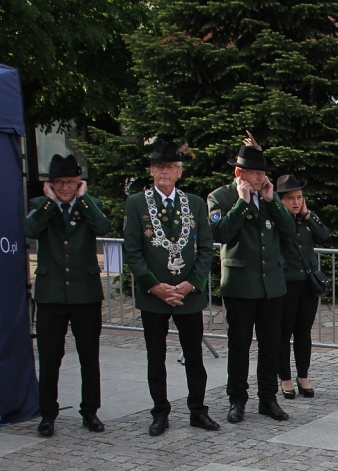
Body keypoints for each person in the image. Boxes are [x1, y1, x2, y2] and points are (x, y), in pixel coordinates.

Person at [123, 138, 219, 436]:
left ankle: (197, 410)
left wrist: (191, 284)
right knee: (156, 356)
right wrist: (155, 286)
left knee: (194, 355)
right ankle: (160, 412)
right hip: (155, 295)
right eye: (158, 167)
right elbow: (133, 252)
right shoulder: (137, 203)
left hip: (188, 293)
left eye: (170, 167)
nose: (164, 172)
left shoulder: (195, 203)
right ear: (151, 170)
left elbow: (206, 248)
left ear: (179, 171)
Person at [208, 136, 295, 423]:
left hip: (271, 285)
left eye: (263, 173)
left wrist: (272, 201)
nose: (261, 178)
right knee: (239, 345)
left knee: (271, 344)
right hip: (241, 285)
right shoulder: (221, 198)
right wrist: (242, 203)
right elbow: (220, 233)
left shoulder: (268, 198)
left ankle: (268, 399)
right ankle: (237, 399)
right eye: (255, 173)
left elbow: (288, 230)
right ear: (239, 173)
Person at [23, 154, 111, 437]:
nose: (64, 188)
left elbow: (103, 227)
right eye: (59, 182)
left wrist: (83, 199)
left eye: (70, 182)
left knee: (89, 355)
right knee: (50, 357)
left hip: (85, 293)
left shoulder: (89, 205)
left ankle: (90, 411)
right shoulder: (40, 206)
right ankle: (48, 414)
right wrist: (49, 203)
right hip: (51, 294)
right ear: (50, 184)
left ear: (79, 183)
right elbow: (30, 230)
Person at [276, 174, 330, 400]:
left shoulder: (307, 219)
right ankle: (285, 378)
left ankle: (303, 375)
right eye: (290, 199)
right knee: (283, 333)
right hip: (286, 284)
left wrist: (308, 215)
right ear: (280, 200)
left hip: (307, 285)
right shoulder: (279, 221)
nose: (296, 202)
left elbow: (324, 235)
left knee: (303, 333)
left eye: (299, 197)